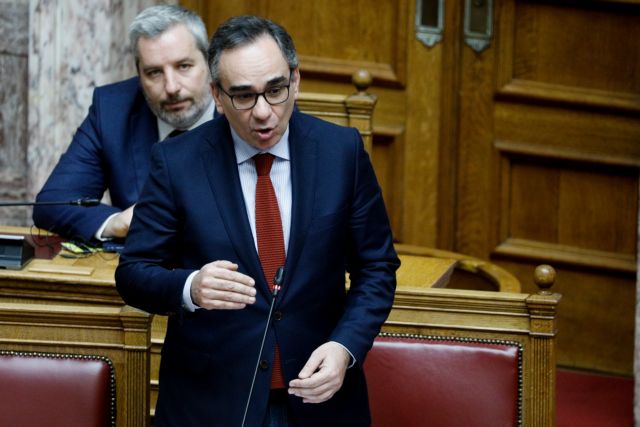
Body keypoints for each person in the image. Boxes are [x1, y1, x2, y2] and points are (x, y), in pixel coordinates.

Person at [115, 15, 399, 427]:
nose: (263, 112)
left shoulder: (342, 152)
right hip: (211, 405)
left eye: (276, 90)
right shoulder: (176, 163)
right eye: (244, 96)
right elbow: (133, 273)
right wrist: (190, 286)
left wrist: (345, 347)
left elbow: (377, 267)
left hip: (320, 401)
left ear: (295, 81)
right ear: (217, 95)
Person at [32, 5, 216, 243]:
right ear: (139, 74)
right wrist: (116, 223)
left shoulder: (242, 107)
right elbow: (53, 203)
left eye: (184, 66)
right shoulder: (113, 110)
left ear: (209, 62)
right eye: (154, 72)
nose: (171, 87)